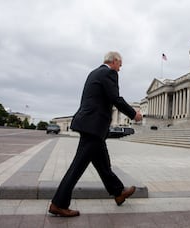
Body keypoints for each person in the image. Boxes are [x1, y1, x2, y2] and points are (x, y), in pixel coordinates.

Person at [49, 51, 143, 217]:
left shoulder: (94, 72)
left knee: (103, 164)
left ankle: (118, 192)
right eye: (120, 65)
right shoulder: (109, 73)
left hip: (90, 125)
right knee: (77, 167)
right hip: (93, 127)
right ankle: (58, 204)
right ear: (114, 61)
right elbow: (115, 98)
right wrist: (133, 114)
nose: (120, 69)